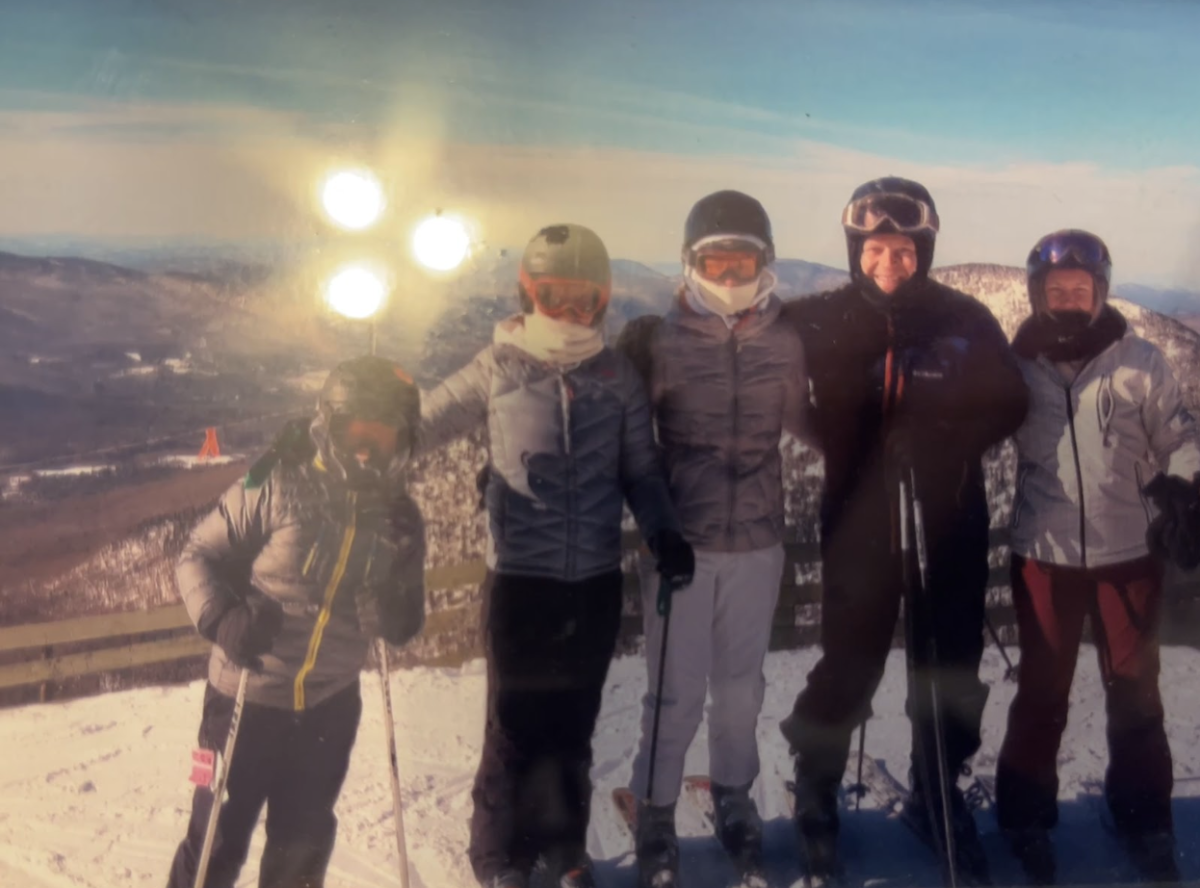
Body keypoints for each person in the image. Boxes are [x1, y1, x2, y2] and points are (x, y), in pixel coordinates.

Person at [416, 223, 694, 888]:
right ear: (526, 294)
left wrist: (663, 530)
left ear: (602, 299)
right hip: (520, 581)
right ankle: (499, 858)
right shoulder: (499, 366)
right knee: (512, 727)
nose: (569, 313)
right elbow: (423, 422)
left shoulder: (616, 375)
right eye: (553, 297)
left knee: (573, 724)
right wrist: (363, 428)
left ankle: (562, 848)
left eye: (582, 299)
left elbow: (641, 471)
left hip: (593, 582)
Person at [779, 177, 1029, 885]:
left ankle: (938, 785)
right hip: (860, 519)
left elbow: (1011, 399)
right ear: (857, 249)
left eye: (905, 247)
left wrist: (947, 434)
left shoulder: (964, 317)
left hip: (948, 512)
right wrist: (841, 446)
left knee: (948, 659)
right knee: (851, 659)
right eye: (875, 246)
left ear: (925, 248)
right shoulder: (818, 318)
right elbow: (757, 369)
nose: (890, 259)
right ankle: (819, 786)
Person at [167, 355, 427, 888]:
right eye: (357, 431)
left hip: (329, 707)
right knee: (216, 839)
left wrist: (395, 609)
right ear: (329, 424)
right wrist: (222, 619)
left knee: (301, 850)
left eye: (383, 437)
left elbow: (404, 617)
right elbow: (195, 554)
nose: (367, 449)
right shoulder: (280, 484)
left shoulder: (399, 517)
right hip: (244, 695)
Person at [616, 190, 811, 888]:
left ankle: (733, 796)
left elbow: (807, 421)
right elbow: (625, 436)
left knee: (740, 690)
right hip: (682, 545)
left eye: (743, 261)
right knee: (674, 693)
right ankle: (657, 813)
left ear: (765, 263)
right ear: (690, 263)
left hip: (758, 540)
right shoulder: (656, 341)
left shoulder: (785, 339)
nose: (729, 276)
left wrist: (880, 438)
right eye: (715, 262)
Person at [995, 230, 1200, 885]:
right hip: (1043, 554)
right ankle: (1026, 819)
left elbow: (1183, 438)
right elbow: (968, 427)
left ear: (1100, 292)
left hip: (1129, 552)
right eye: (1055, 291)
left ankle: (1144, 821)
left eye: (1080, 290)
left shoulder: (1140, 360)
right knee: (1042, 693)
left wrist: (1187, 493)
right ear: (1036, 295)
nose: (1068, 301)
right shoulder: (1015, 365)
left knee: (1136, 694)